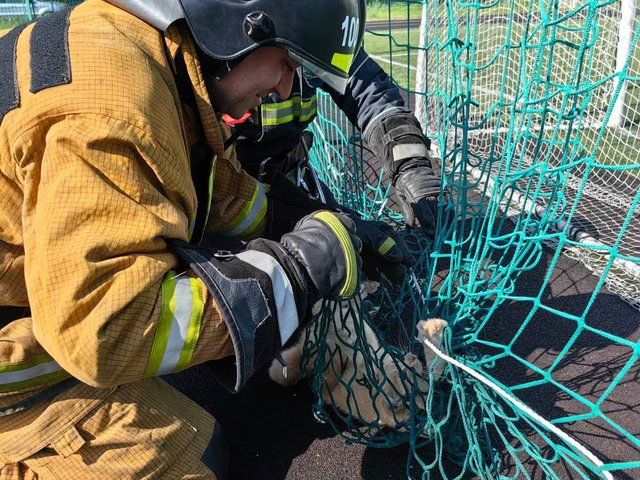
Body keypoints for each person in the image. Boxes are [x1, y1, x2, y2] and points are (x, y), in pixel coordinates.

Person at [0, 0, 366, 478]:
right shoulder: (114, 107)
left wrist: (306, 217)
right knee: (184, 458)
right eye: (285, 61)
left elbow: (205, 187)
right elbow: (103, 328)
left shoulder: (138, 54)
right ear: (239, 27)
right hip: (31, 349)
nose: (284, 87)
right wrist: (294, 273)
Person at [227, 44, 443, 248]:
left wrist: (410, 165)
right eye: (286, 64)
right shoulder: (214, 62)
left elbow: (367, 90)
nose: (284, 88)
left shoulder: (322, 31)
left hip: (292, 186)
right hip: (225, 207)